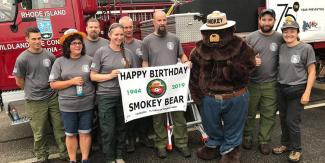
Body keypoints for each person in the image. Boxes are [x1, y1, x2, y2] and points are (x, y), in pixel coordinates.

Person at [189, 11, 256, 163]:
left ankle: (230, 150)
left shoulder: (240, 45)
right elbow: (194, 73)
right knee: (210, 124)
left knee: (234, 126)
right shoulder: (199, 49)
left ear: (228, 30)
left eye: (219, 31)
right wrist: (197, 95)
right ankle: (214, 144)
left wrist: (229, 69)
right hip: (210, 97)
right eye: (212, 31)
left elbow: (250, 66)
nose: (215, 34)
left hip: (235, 95)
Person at [12, 27, 67, 163]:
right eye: (34, 39)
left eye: (39, 38)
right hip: (34, 100)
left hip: (52, 97)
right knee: (39, 132)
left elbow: (55, 75)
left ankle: (65, 153)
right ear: (27, 40)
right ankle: (42, 156)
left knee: (60, 127)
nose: (37, 41)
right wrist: (33, 89)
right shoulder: (22, 59)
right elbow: (19, 81)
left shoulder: (49, 55)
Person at [141, 10, 191, 159]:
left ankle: (182, 144)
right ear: (153, 22)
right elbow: (145, 62)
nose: (162, 23)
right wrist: (146, 72)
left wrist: (186, 61)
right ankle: (161, 145)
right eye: (159, 20)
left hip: (174, 86)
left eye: (164, 20)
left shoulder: (174, 39)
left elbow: (181, 55)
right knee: (158, 118)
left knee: (179, 115)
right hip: (157, 85)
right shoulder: (147, 41)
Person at [272, 18, 316, 162]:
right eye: (285, 31)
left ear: (297, 32)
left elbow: (312, 71)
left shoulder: (306, 48)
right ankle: (286, 144)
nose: (288, 34)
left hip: (297, 90)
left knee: (292, 121)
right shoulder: (282, 47)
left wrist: (307, 92)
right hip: (282, 88)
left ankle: (296, 149)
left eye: (292, 31)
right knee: (283, 119)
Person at [49, 29, 95, 163]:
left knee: (85, 132)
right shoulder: (59, 62)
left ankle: (85, 159)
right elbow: (53, 84)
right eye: (74, 43)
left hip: (87, 104)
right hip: (67, 106)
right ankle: (73, 160)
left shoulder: (89, 60)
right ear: (67, 46)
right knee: (70, 134)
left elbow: (96, 77)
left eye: (80, 43)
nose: (78, 46)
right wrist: (71, 82)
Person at [90, 23, 134, 163]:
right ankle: (109, 158)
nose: (119, 37)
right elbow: (93, 76)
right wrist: (110, 75)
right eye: (116, 34)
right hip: (106, 96)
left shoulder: (128, 53)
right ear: (109, 35)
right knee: (108, 129)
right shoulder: (101, 52)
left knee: (122, 127)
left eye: (121, 34)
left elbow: (135, 74)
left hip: (124, 96)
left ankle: (119, 155)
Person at [242, 9, 283, 155]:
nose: (266, 23)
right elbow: (241, 59)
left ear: (274, 20)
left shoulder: (280, 38)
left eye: (269, 20)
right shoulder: (250, 38)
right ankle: (247, 136)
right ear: (259, 21)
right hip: (252, 83)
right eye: (264, 20)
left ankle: (264, 141)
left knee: (268, 114)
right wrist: (251, 61)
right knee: (249, 113)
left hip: (271, 84)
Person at [119, 15, 153, 153]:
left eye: (130, 27)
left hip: (142, 84)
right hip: (126, 87)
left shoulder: (141, 44)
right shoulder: (118, 45)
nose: (128, 30)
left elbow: (148, 61)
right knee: (129, 114)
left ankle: (143, 136)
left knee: (144, 112)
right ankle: (130, 139)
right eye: (125, 27)